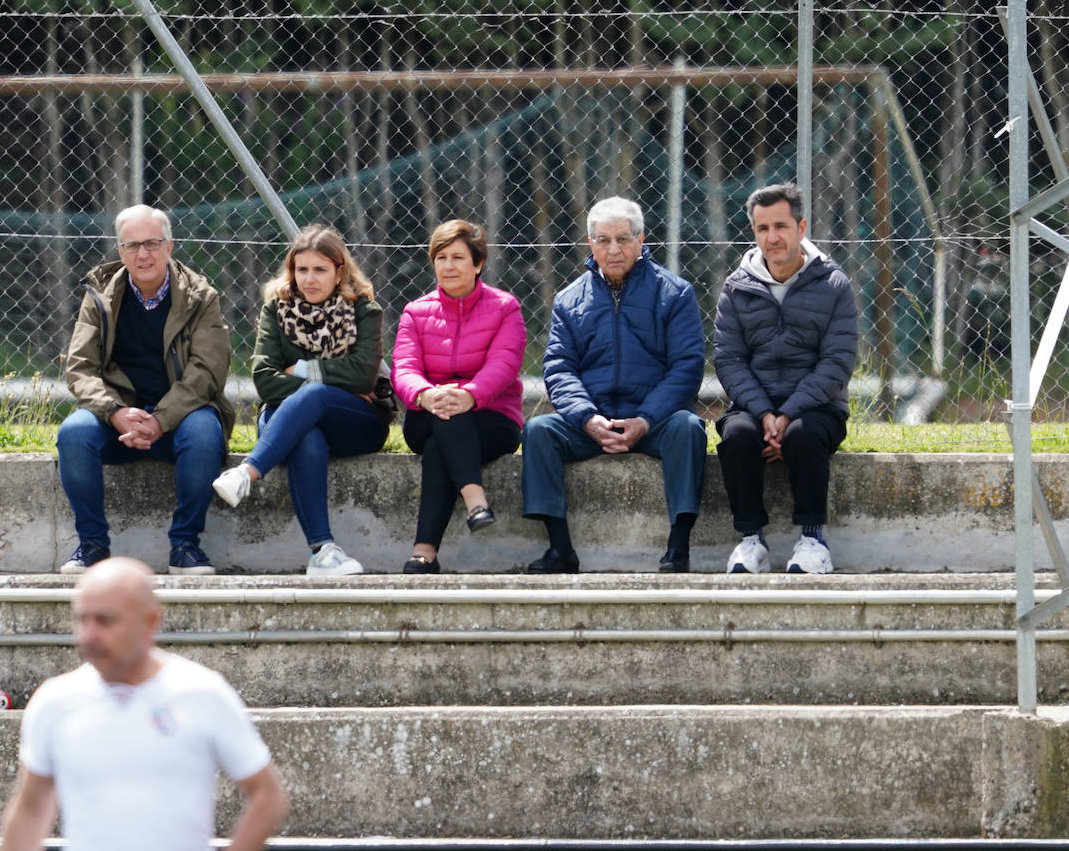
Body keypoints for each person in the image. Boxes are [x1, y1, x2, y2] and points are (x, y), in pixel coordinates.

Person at [0, 557, 289, 851]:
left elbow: (268, 795)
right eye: (81, 619)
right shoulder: (54, 701)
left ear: (150, 622)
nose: (89, 635)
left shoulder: (203, 692)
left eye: (105, 620)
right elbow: (29, 814)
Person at [521, 196, 707, 574]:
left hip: (655, 422)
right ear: (590, 243)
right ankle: (560, 550)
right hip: (591, 424)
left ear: (641, 239)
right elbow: (558, 369)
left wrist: (646, 419)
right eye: (603, 240)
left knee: (689, 428)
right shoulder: (569, 299)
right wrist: (588, 419)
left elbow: (687, 367)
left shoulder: (674, 293)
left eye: (623, 238)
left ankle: (678, 546)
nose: (614, 249)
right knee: (538, 430)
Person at [56, 205, 234, 576]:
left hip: (181, 415)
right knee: (73, 434)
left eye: (152, 243)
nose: (143, 254)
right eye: (133, 245)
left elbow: (207, 372)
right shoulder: (100, 296)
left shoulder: (201, 297)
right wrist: (115, 413)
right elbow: (80, 367)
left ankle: (185, 546)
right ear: (120, 251)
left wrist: (161, 420)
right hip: (118, 418)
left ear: (170, 245)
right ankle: (92, 546)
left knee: (205, 432)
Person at [210, 225, 390, 576]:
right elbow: (264, 379)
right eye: (301, 269)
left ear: (339, 271)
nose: (309, 279)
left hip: (356, 422)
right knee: (307, 432)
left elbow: (363, 376)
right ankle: (323, 552)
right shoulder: (275, 309)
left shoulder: (365, 310)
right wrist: (331, 381)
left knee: (317, 395)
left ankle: (247, 472)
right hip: (284, 419)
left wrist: (302, 369)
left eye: (320, 269)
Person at [713, 182, 858, 575]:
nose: (772, 237)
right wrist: (763, 413)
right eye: (762, 229)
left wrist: (788, 413)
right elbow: (728, 360)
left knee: (802, 435)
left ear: (801, 227)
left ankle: (813, 541)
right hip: (753, 408)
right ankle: (750, 541)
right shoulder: (736, 288)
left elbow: (837, 361)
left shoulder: (833, 285)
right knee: (737, 435)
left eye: (781, 226)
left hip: (816, 408)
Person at [391, 219, 526, 574]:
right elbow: (403, 369)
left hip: (492, 419)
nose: (448, 266)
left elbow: (505, 364)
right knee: (445, 415)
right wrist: (425, 394)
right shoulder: (415, 312)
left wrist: (470, 394)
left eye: (458, 258)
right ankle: (475, 501)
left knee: (442, 443)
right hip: (427, 413)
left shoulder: (505, 307)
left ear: (478, 263)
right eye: (441, 258)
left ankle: (424, 552)